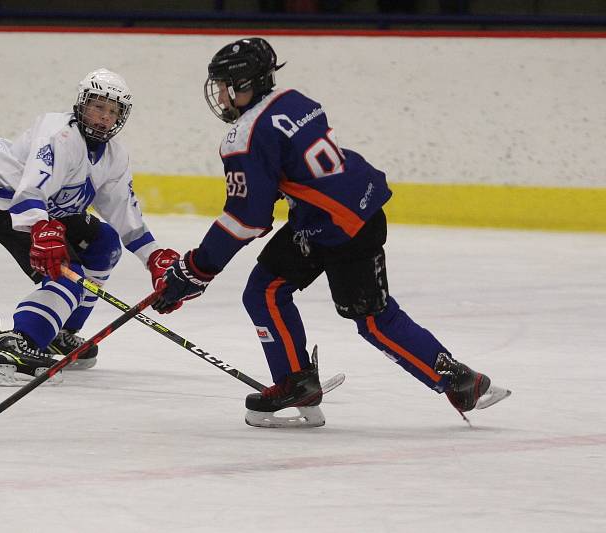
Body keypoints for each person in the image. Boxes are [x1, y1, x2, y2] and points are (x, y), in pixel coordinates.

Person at [153, 38, 510, 427]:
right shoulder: (293, 99)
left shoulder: (245, 136)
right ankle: (296, 382)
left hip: (346, 226)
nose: (220, 95)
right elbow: (289, 172)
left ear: (245, 84)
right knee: (264, 290)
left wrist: (196, 270)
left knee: (373, 319)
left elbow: (246, 219)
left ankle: (461, 382)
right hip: (331, 214)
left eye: (224, 85)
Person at [0, 68, 179, 386]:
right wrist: (42, 229)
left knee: (105, 243)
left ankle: (59, 331)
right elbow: (30, 190)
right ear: (81, 104)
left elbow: (125, 214)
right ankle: (18, 343)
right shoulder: (59, 134)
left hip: (48, 207)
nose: (104, 117)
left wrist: (155, 260)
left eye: (112, 111)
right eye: (97, 106)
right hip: (3, 201)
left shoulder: (115, 155)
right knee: (66, 274)